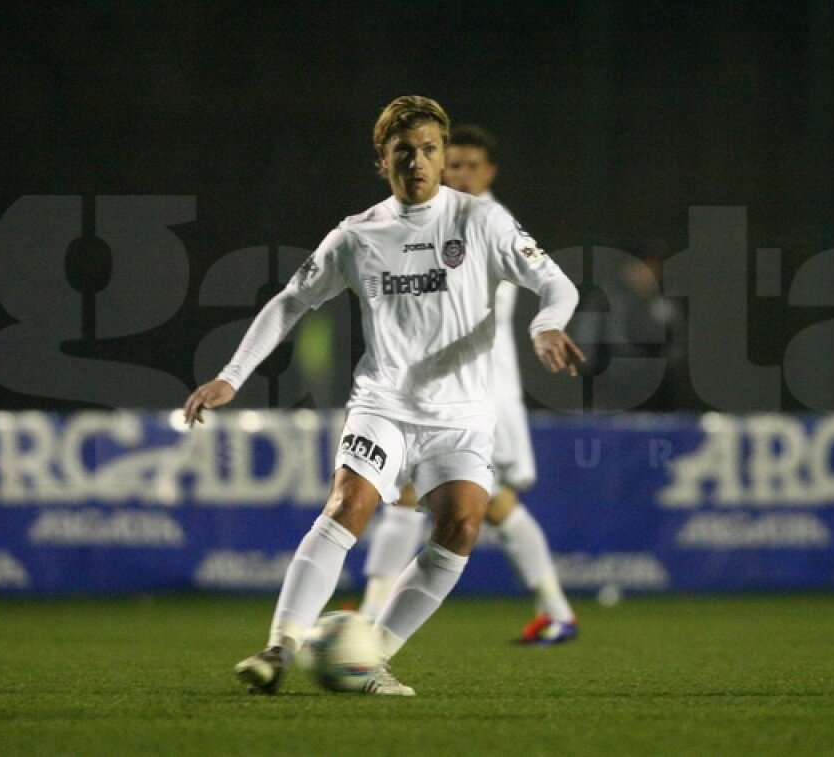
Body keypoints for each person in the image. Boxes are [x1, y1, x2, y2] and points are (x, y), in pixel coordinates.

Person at [182, 97, 583, 696]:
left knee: (464, 525)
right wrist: (231, 376)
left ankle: (370, 659)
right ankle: (279, 648)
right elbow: (291, 301)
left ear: (444, 156)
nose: (417, 162)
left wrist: (545, 323)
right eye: (404, 152)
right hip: (384, 403)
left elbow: (556, 282)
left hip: (462, 414)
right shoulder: (358, 234)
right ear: (383, 161)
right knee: (350, 503)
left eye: (428, 150)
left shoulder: (483, 222)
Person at [358, 125, 577, 644]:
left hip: (477, 391)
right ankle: (558, 610)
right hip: (448, 389)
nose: (458, 174)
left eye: (469, 166)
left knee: (404, 492)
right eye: (451, 164)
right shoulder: (441, 219)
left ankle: (368, 620)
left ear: (489, 172)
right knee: (494, 505)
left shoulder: (488, 224)